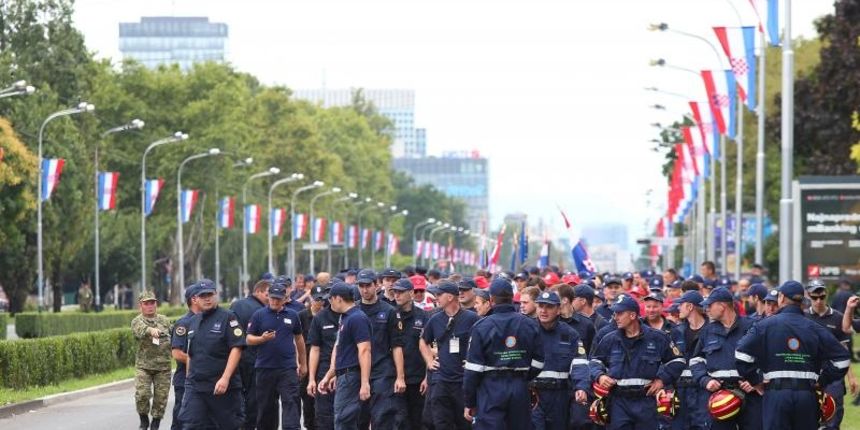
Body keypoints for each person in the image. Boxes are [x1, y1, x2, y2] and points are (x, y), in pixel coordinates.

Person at [735, 281, 851, 430]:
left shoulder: (765, 325)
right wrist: (822, 380)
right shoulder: (814, 327)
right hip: (806, 396)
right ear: (802, 300)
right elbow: (843, 359)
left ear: (781, 298)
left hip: (776, 395)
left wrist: (756, 380)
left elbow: (741, 354)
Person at [588, 294, 684, 430]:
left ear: (633, 315)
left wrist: (662, 380)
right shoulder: (610, 339)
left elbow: (678, 361)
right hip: (618, 402)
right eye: (615, 313)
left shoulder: (657, 338)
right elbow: (595, 361)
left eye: (620, 313)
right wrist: (600, 375)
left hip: (646, 402)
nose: (616, 317)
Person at [463, 278, 545, 429]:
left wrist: (469, 402)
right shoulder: (530, 325)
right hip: (519, 388)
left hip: (491, 389)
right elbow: (539, 361)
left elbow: (473, 370)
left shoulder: (481, 327)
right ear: (513, 297)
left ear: (492, 299)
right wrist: (522, 376)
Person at [179, 280, 246, 430]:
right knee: (191, 424)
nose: (207, 298)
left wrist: (225, 378)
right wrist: (189, 379)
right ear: (195, 299)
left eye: (210, 294)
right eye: (203, 296)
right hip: (196, 387)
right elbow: (190, 354)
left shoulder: (228, 318)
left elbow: (237, 348)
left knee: (227, 426)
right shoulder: (193, 322)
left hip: (222, 387)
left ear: (216, 295)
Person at [691, 287, 761, 430]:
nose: (707, 310)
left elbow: (766, 357)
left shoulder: (752, 327)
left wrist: (757, 381)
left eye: (710, 305)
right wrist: (706, 380)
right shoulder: (707, 331)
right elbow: (696, 361)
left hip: (749, 395)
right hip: (719, 396)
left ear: (722, 306)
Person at [246, 282, 308, 430]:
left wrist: (303, 363)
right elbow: (248, 339)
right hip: (265, 368)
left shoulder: (292, 315)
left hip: (288, 368)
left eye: (278, 299)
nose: (274, 301)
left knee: (291, 402)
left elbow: (299, 339)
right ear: (268, 297)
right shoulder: (259, 315)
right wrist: (262, 339)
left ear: (285, 299)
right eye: (272, 298)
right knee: (266, 408)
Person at [420, 280, 480, 429]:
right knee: (440, 422)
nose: (436, 297)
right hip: (440, 380)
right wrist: (429, 361)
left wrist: (473, 360)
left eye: (439, 294)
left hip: (462, 381)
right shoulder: (435, 319)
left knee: (464, 424)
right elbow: (423, 341)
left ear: (451, 297)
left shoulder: (472, 318)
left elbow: (481, 343)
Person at [355, 269, 406, 430]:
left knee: (383, 419)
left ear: (376, 285)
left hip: (382, 371)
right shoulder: (352, 311)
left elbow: (397, 346)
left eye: (368, 285)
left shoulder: (389, 311)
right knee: (358, 419)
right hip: (356, 371)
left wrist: (400, 377)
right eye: (361, 286)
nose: (364, 290)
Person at [530, 291, 589, 430]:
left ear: (558, 310)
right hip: (533, 394)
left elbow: (579, 363)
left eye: (549, 307)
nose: (543, 311)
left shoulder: (570, 334)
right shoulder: (527, 330)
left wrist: (581, 387)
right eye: (540, 306)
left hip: (559, 396)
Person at [318, 282, 372, 430]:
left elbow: (365, 350)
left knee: (344, 421)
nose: (329, 302)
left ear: (339, 299)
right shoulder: (345, 318)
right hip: (343, 375)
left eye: (330, 299)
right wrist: (329, 375)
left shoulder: (357, 318)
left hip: (351, 376)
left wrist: (365, 382)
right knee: (342, 420)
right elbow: (342, 351)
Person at [805, 280, 853, 430]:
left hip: (834, 374)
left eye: (822, 297)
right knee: (808, 417)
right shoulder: (803, 317)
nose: (818, 301)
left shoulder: (838, 317)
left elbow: (843, 349)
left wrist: (851, 377)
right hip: (809, 373)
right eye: (814, 297)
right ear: (808, 296)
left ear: (826, 295)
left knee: (833, 416)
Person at [230, 278, 271, 430]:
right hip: (255, 359)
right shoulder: (262, 311)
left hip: (237, 357)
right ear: (259, 291)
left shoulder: (236, 305)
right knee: (254, 399)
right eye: (268, 294)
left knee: (238, 397)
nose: (270, 298)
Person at [391, 278, 430, 430]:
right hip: (394, 378)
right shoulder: (390, 314)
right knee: (399, 421)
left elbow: (430, 348)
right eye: (395, 292)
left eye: (401, 292)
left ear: (411, 293)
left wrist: (428, 377)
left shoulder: (424, 317)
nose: (397, 295)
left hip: (418, 379)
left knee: (419, 421)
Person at [131, 291, 172, 430]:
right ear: (140, 305)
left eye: (152, 302)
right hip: (144, 366)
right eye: (146, 303)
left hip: (163, 367)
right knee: (142, 394)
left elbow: (175, 334)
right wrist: (150, 330)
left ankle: (155, 425)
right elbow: (140, 330)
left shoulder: (165, 321)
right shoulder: (137, 321)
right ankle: (143, 421)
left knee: (161, 399)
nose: (150, 306)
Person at [669, 291, 708, 430]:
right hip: (679, 390)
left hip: (703, 390)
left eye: (681, 305)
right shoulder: (676, 332)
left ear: (690, 306)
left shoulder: (712, 330)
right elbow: (667, 361)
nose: (678, 308)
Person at [306, 286, 341, 430]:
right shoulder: (320, 317)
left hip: (347, 373)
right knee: (324, 418)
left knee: (346, 417)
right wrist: (312, 379)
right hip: (324, 372)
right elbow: (314, 349)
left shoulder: (352, 316)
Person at [299, 285, 327, 430]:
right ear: (311, 299)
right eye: (316, 299)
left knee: (323, 401)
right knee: (307, 400)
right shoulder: (302, 316)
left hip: (323, 363)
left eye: (321, 299)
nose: (319, 302)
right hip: (306, 363)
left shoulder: (327, 316)